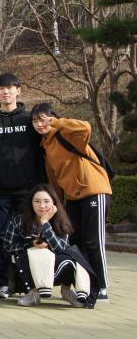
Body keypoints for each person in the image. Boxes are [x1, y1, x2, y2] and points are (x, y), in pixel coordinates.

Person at [32, 103, 112, 302]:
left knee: (93, 241)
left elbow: (86, 128)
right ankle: (85, 285)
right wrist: (57, 205)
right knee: (74, 241)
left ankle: (102, 286)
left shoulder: (66, 134)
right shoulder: (45, 145)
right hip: (73, 197)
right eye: (35, 121)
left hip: (93, 191)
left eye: (43, 119)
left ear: (52, 117)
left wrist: (58, 122)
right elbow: (54, 179)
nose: (40, 124)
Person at [0, 72, 43, 299]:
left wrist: (41, 186)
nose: (5, 92)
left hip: (28, 190)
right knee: (2, 236)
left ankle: (29, 283)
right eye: (1, 88)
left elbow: (40, 153)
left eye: (10, 88)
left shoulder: (29, 119)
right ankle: (3, 282)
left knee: (28, 235)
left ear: (18, 90)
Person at [3, 183, 93, 308]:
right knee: (26, 254)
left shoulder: (61, 221)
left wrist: (45, 223)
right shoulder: (19, 220)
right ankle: (33, 293)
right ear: (31, 203)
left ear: (54, 203)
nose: (42, 206)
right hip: (29, 269)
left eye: (46, 201)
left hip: (55, 268)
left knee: (71, 259)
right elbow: (7, 246)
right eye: (37, 201)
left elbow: (60, 249)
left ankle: (66, 291)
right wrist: (30, 244)